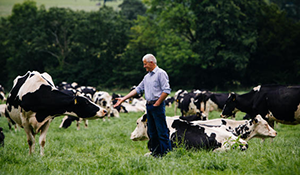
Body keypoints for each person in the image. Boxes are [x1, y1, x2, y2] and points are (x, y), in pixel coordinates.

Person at [114, 53, 172, 157]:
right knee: (152, 132)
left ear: (151, 63)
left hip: (157, 105)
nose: (144, 66)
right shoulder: (146, 77)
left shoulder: (161, 73)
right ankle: (156, 153)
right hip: (149, 106)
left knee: (161, 131)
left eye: (145, 64)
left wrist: (158, 103)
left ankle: (166, 153)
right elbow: (138, 89)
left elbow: (166, 90)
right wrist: (123, 98)